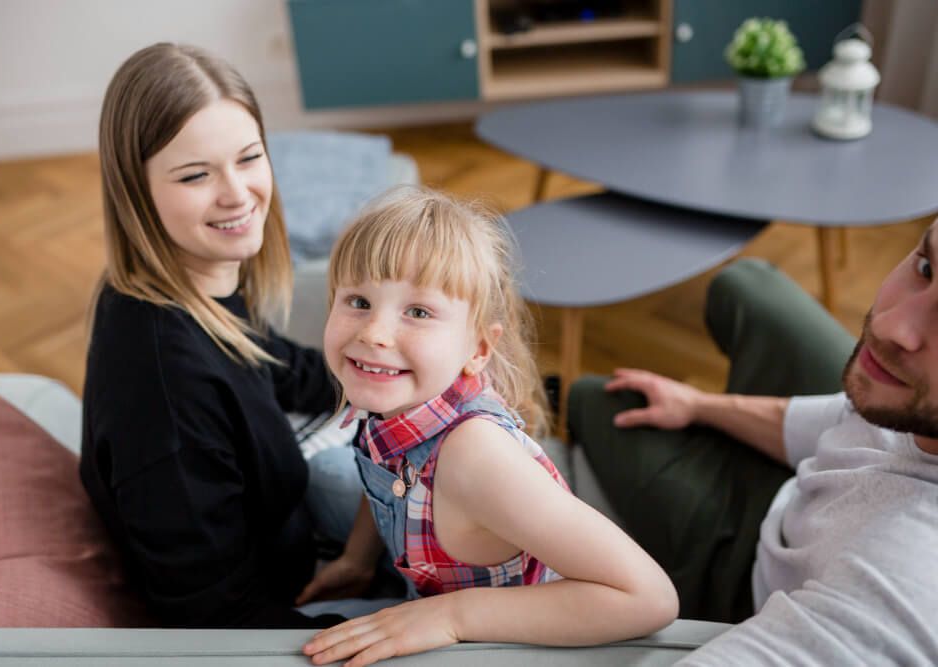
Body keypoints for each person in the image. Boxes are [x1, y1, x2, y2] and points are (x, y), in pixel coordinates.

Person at [298, 187, 678, 666]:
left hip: (505, 643)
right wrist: (356, 561)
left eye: (417, 312)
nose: (373, 333)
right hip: (430, 594)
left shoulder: (476, 457)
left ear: (477, 349)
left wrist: (450, 617)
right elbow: (387, 474)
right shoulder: (390, 400)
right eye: (358, 300)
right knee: (324, 474)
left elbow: (650, 597)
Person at [79, 43, 363, 629]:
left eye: (249, 157)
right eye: (194, 175)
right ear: (137, 192)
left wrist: (406, 374)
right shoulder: (165, 389)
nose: (237, 194)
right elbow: (217, 616)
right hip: (278, 614)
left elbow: (271, 361)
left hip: (296, 538)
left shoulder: (185, 280)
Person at [567, 229, 938, 664]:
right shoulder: (901, 394)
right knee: (744, 284)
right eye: (926, 268)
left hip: (751, 577)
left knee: (596, 399)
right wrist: (697, 405)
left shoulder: (906, 578)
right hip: (810, 495)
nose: (890, 325)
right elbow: (844, 415)